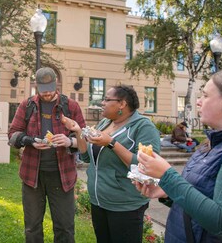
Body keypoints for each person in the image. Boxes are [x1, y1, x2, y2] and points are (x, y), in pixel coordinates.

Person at [136, 70, 222, 242]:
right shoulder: (213, 142)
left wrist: (167, 176)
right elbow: (201, 196)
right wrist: (166, 192)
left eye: (205, 96)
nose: (198, 102)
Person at [61, 84, 161, 243]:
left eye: (107, 99)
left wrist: (112, 143)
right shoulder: (105, 123)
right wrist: (78, 131)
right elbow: (86, 156)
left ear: (122, 104)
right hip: (99, 202)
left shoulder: (143, 127)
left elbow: (146, 167)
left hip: (125, 206)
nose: (102, 103)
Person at [8, 67, 86, 243]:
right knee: (32, 227)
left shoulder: (70, 106)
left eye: (50, 89)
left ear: (56, 84)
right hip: (32, 176)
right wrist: (30, 141)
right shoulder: (27, 105)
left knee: (65, 227)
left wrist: (69, 142)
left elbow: (84, 138)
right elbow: (12, 136)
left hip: (62, 176)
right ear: (36, 86)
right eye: (43, 90)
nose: (47, 93)